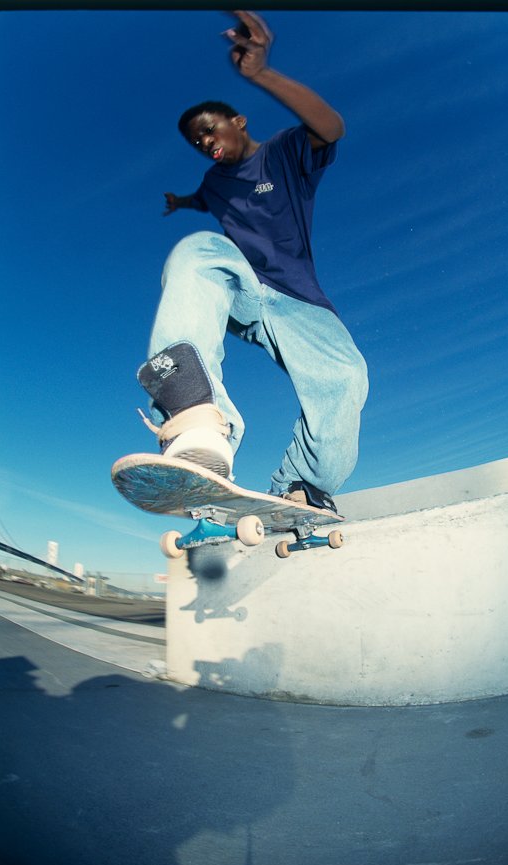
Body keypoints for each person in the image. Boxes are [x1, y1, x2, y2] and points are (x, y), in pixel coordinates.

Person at [137, 10, 368, 512]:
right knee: (198, 250)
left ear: (238, 121)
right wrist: (181, 201)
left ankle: (303, 485)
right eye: (197, 142)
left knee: (347, 376)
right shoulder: (212, 182)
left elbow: (331, 127)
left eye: (209, 130)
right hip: (240, 283)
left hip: (296, 296)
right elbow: (203, 199)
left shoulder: (284, 152)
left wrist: (260, 73)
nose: (205, 143)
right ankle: (195, 415)